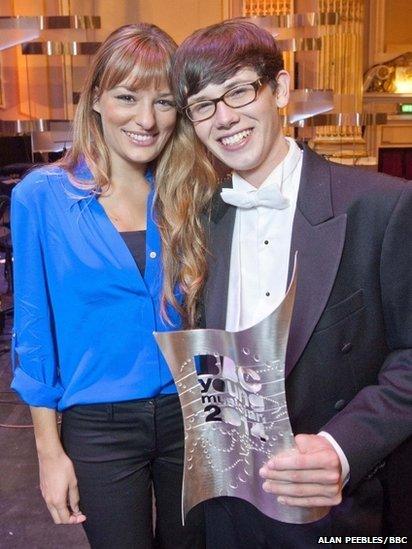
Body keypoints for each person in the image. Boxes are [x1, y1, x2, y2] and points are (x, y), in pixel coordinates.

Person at [171, 19, 412, 548]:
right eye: (203, 105)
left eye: (238, 91)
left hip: (336, 508)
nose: (224, 117)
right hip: (228, 507)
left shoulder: (381, 206)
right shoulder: (199, 220)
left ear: (279, 90)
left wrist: (341, 448)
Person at [11, 23, 212, 549]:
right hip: (98, 427)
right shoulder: (43, 196)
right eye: (127, 97)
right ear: (96, 99)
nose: (146, 120)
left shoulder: (190, 192)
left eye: (164, 102)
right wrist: (49, 453)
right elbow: (34, 333)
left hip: (190, 416)